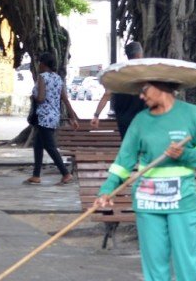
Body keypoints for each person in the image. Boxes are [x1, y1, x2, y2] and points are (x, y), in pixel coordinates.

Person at [94, 80, 196, 281]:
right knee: (154, 254)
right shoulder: (140, 121)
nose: (141, 96)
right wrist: (107, 190)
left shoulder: (192, 114)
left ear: (162, 87)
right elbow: (123, 160)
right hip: (148, 199)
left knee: (186, 254)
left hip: (183, 198)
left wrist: (186, 154)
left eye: (145, 90)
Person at [25, 52, 78, 185]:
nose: (38, 65)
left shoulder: (42, 77)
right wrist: (72, 116)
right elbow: (65, 98)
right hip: (54, 116)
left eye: (39, 63)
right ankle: (36, 175)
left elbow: (41, 98)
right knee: (38, 144)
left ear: (43, 64)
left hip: (43, 117)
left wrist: (33, 97)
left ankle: (65, 173)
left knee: (49, 146)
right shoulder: (57, 78)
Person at [91, 41, 146, 136]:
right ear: (139, 55)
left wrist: (96, 115)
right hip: (142, 118)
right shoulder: (145, 73)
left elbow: (107, 94)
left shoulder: (118, 73)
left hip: (123, 120)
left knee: (128, 147)